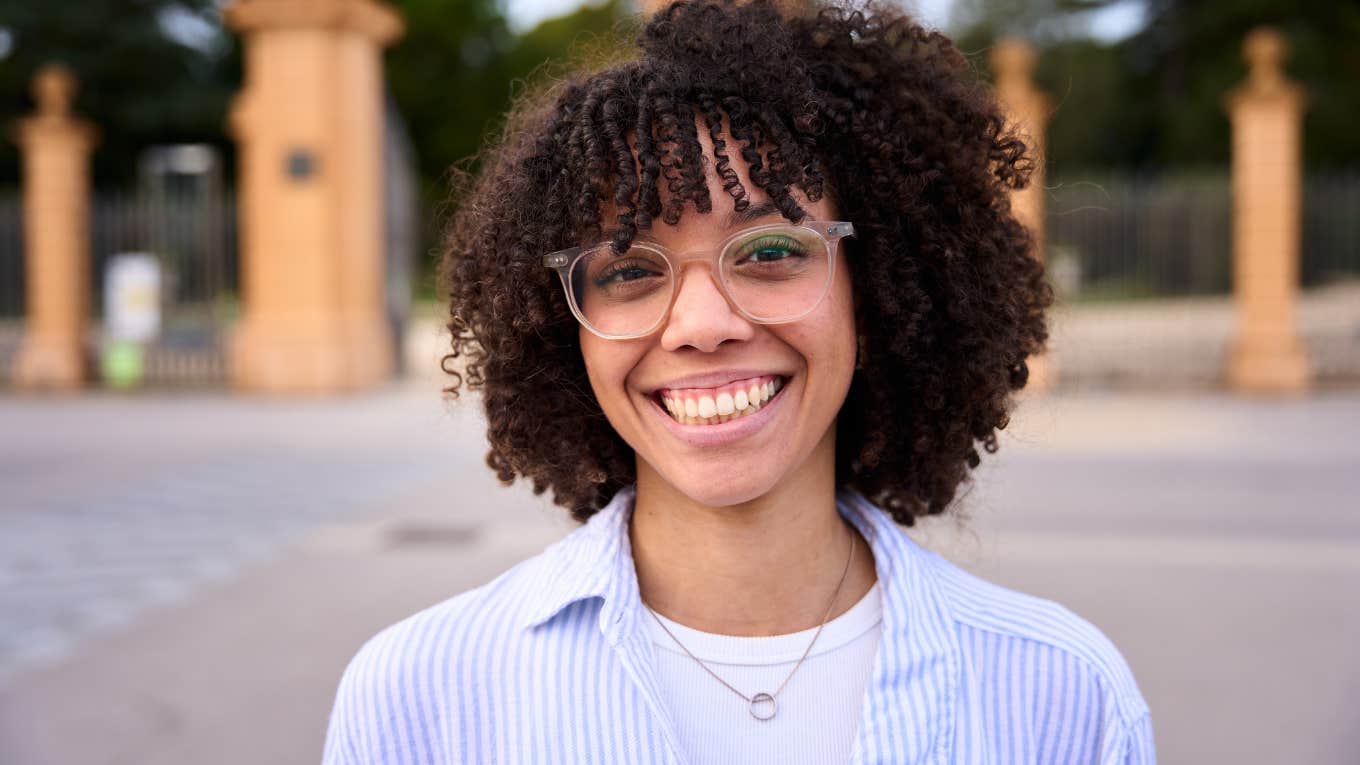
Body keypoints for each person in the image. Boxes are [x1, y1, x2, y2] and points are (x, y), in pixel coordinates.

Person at [322, 1, 1154, 763]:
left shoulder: (1065, 700)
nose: (700, 323)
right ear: (561, 327)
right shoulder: (417, 699)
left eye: (768, 252)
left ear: (882, 288)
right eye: (628, 270)